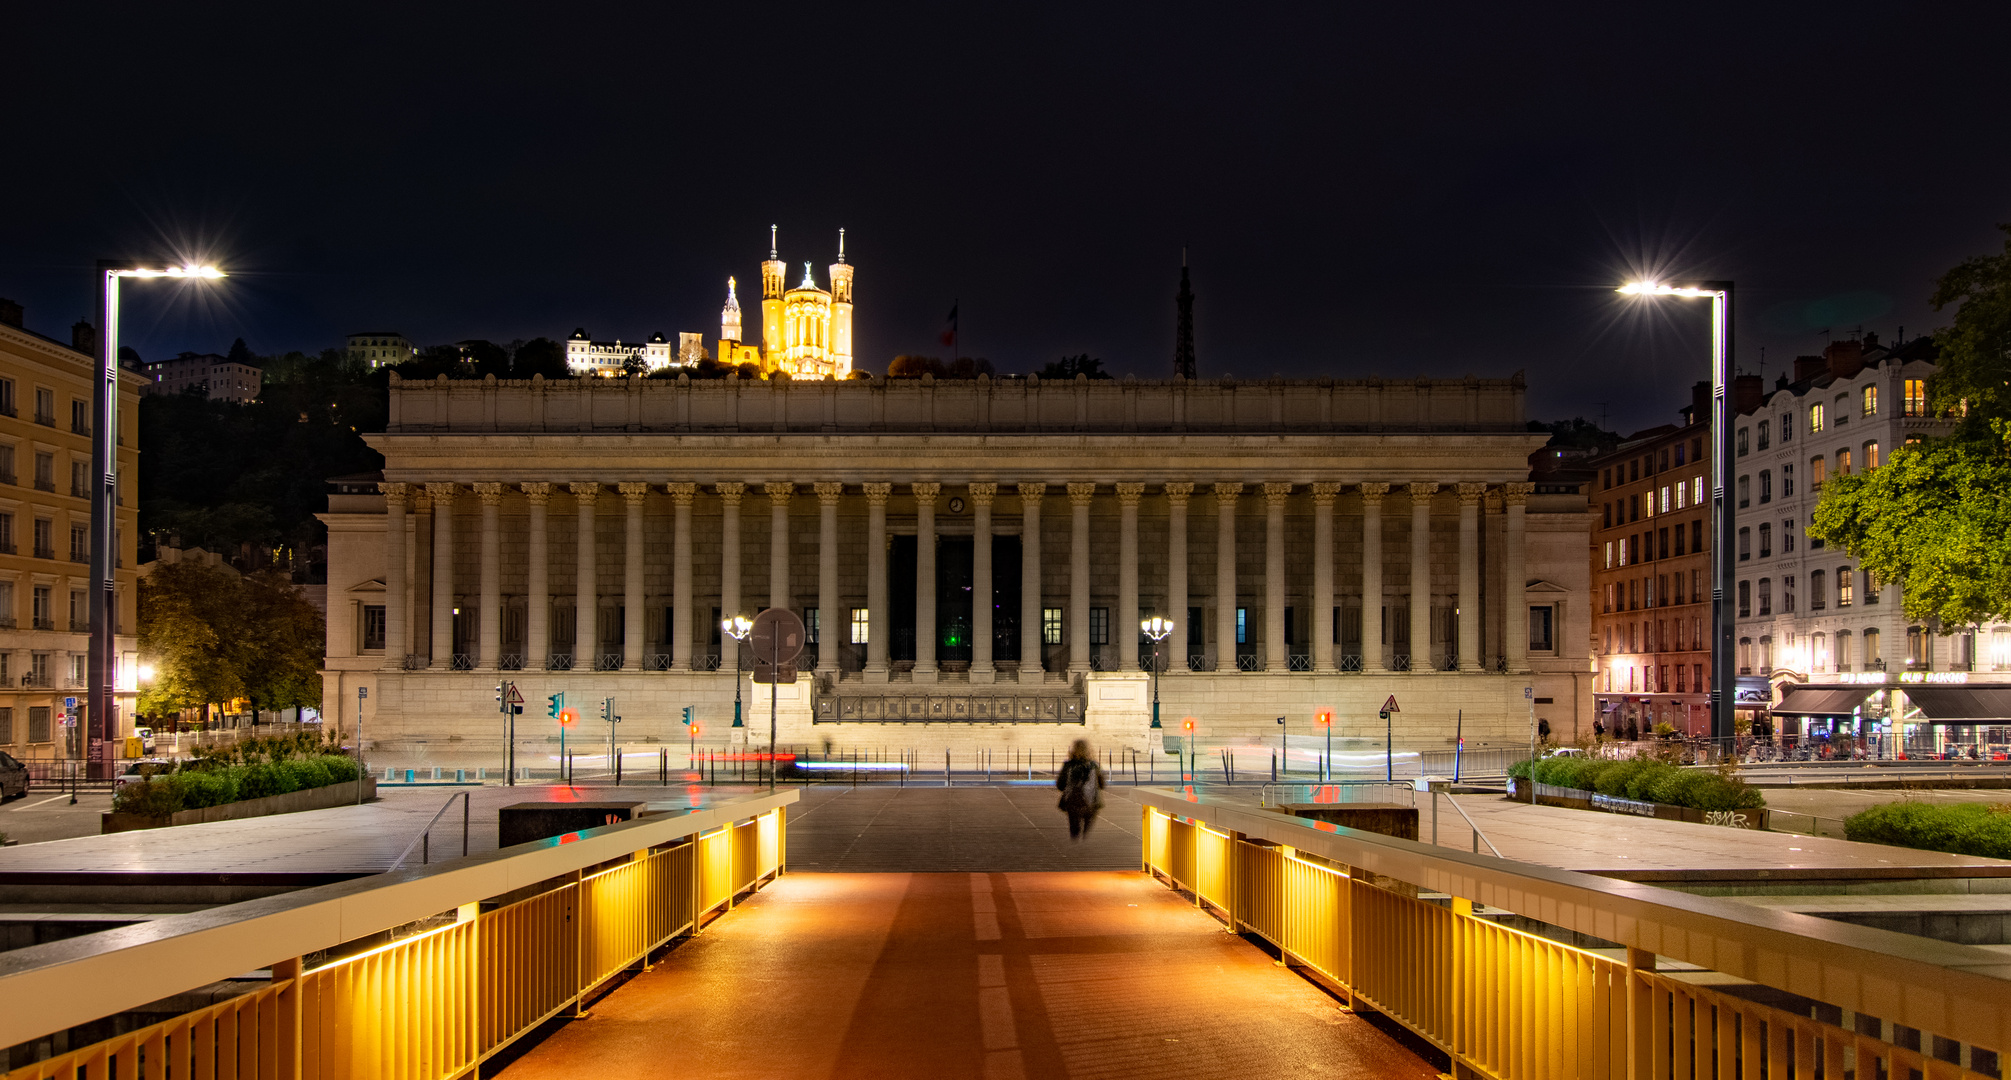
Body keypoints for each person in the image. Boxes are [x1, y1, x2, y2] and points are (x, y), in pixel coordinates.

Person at [1055, 739, 1107, 841]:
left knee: (1074, 827)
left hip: (1072, 801)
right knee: (1088, 829)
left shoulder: (1068, 766)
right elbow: (1102, 785)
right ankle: (1086, 841)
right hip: (1091, 801)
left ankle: (1075, 844)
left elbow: (1060, 785)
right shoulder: (1094, 766)